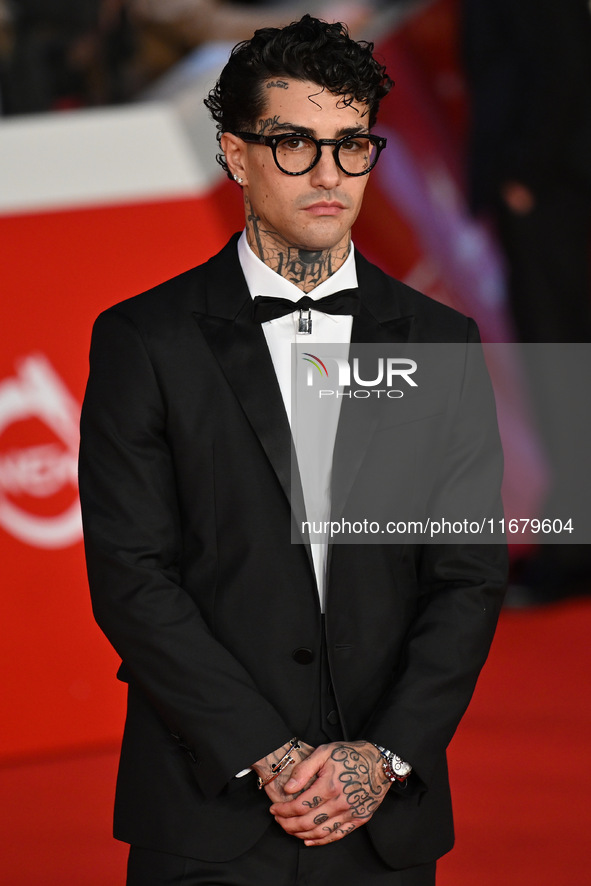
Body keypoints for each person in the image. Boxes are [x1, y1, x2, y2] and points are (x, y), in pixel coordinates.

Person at [79, 15, 507, 886]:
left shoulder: (441, 340)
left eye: (352, 146)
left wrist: (378, 759)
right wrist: (265, 754)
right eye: (292, 144)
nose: (327, 175)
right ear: (234, 155)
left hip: (381, 816)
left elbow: (466, 572)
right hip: (207, 805)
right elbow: (131, 573)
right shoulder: (143, 338)